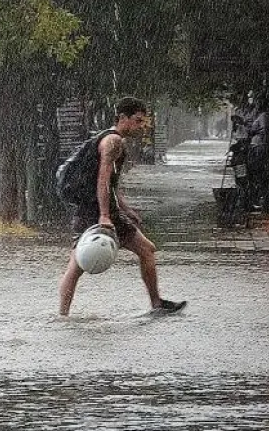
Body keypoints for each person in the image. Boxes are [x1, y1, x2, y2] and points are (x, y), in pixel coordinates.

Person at [58, 96, 187, 316]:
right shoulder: (113, 142)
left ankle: (156, 303)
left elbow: (112, 183)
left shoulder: (110, 139)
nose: (141, 127)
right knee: (78, 264)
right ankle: (62, 315)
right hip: (97, 212)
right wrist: (105, 215)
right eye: (137, 121)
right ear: (122, 118)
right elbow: (103, 179)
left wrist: (125, 209)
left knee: (146, 250)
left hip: (96, 209)